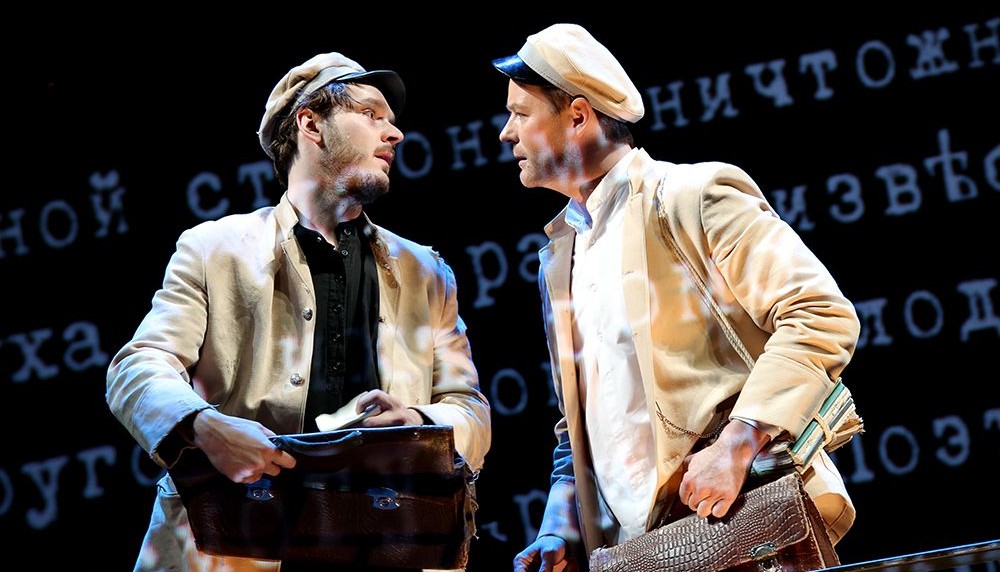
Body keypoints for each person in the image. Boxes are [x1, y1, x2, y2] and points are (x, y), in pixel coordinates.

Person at [492, 23, 861, 572]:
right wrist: (559, 527)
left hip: (735, 523)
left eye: (520, 113)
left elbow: (820, 314)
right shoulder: (560, 255)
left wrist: (737, 444)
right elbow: (580, 425)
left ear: (578, 116)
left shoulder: (692, 196)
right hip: (638, 553)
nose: (507, 133)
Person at [106, 51, 491, 572]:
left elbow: (469, 406)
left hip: (384, 547)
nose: (395, 133)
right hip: (236, 545)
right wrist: (203, 426)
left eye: (392, 121)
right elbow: (138, 365)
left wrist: (420, 422)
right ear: (311, 124)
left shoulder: (426, 270)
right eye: (371, 115)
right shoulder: (216, 248)